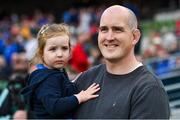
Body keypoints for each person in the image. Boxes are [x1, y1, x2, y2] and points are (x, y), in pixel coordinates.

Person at [73, 5, 170, 119]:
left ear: (135, 36)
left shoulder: (149, 89)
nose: (109, 37)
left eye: (117, 29)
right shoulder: (86, 78)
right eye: (104, 29)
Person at [21, 24, 100, 119]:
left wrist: (72, 84)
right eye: (53, 49)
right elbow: (55, 107)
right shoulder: (47, 79)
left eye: (64, 48)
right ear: (42, 53)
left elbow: (60, 90)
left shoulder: (54, 72)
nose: (59, 54)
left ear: (70, 51)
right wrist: (80, 97)